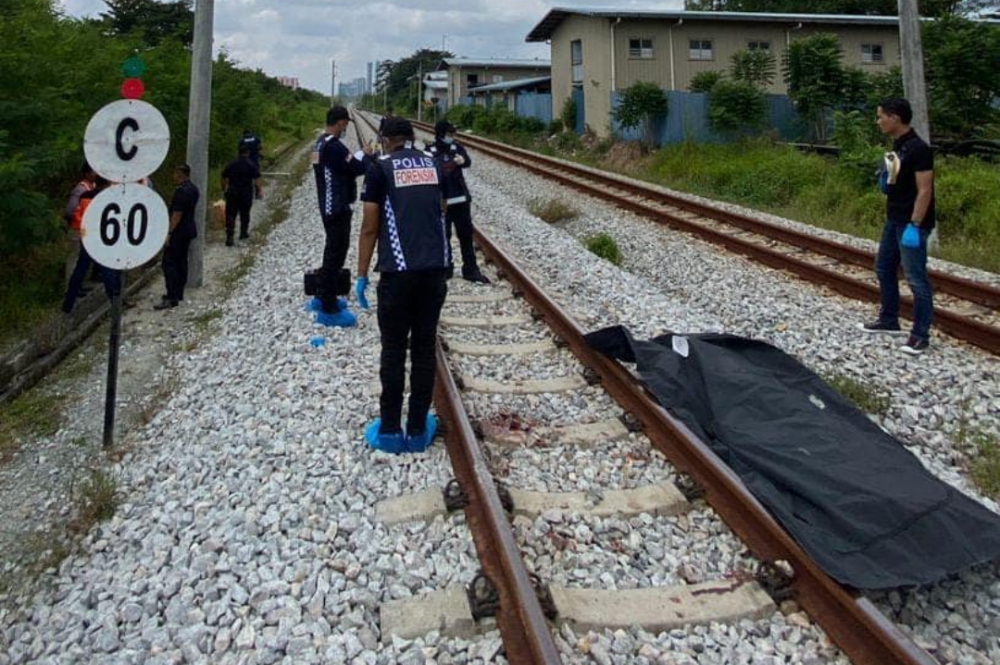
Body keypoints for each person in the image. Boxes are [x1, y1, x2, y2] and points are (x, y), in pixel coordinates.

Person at [356, 117, 452, 454]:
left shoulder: (379, 169)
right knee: (424, 349)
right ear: (411, 138)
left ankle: (390, 429)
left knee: (394, 350)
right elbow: (440, 211)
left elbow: (370, 227)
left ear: (384, 139)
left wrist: (362, 274)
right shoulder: (433, 164)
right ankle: (417, 429)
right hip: (434, 271)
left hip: (398, 273)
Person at [860, 98, 935, 355]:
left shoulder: (919, 149)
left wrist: (915, 224)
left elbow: (925, 190)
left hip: (910, 222)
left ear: (895, 117)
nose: (878, 121)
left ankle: (920, 335)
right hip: (894, 218)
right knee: (883, 267)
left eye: (881, 116)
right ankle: (889, 319)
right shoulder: (899, 147)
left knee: (916, 279)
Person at [312, 106, 372, 325]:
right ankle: (328, 307)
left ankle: (322, 296)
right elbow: (355, 168)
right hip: (337, 207)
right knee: (335, 255)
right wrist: (365, 157)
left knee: (331, 251)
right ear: (339, 122)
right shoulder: (335, 147)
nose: (346, 126)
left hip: (327, 205)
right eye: (345, 123)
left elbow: (335, 169)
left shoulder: (319, 143)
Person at [428, 120, 489, 284]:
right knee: (443, 235)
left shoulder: (457, 147)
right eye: (449, 134)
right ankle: (445, 267)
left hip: (460, 198)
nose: (452, 136)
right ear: (441, 134)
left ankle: (470, 269)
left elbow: (468, 162)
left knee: (466, 235)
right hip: (443, 200)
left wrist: (462, 161)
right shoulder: (430, 150)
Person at [61, 177, 122, 314]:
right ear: (107, 184)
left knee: (80, 270)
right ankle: (116, 303)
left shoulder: (85, 196)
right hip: (104, 238)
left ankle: (68, 304)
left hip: (88, 237)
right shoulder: (109, 197)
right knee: (108, 271)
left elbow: (80, 217)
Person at [156, 165, 199, 310]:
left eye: (175, 174)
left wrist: (169, 232)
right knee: (182, 262)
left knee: (169, 263)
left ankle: (171, 296)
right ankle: (179, 292)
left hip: (179, 232)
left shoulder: (181, 192)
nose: (173, 177)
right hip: (188, 230)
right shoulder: (193, 189)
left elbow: (177, 214)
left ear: (181, 174)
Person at [221, 144, 263, 246]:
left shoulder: (231, 164)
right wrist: (259, 191)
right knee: (245, 213)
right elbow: (257, 179)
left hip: (232, 192)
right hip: (246, 192)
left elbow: (224, 177)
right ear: (248, 153)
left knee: (230, 214)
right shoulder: (251, 164)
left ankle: (230, 235)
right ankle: (243, 233)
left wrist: (224, 189)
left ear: (238, 152)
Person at [63, 162, 98, 284]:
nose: (96, 173)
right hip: (77, 229)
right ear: (87, 173)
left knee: (83, 258)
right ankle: (70, 285)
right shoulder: (81, 189)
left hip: (86, 230)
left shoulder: (93, 187)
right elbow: (69, 211)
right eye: (93, 171)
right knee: (75, 257)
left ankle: (79, 284)